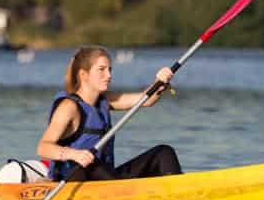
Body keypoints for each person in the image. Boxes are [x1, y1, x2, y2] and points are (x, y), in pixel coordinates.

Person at [36, 46, 182, 182]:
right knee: (92, 164)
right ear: (83, 74)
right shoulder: (69, 107)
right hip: (74, 181)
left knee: (164, 153)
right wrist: (74, 154)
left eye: (110, 69)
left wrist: (160, 83)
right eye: (102, 69)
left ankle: (180, 195)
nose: (109, 75)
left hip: (105, 179)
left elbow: (145, 100)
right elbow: (43, 148)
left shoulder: (104, 100)